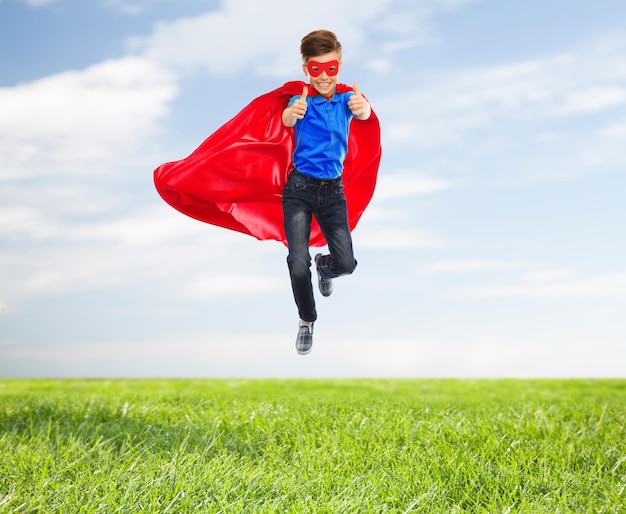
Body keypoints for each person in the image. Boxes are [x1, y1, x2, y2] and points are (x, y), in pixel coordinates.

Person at [281, 29, 372, 355]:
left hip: (333, 193)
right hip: (299, 191)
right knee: (296, 262)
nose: (323, 77)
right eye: (315, 69)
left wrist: (363, 108)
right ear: (306, 67)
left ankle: (325, 267)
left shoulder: (348, 100)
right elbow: (287, 119)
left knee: (347, 263)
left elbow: (363, 113)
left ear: (340, 65)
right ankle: (307, 320)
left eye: (330, 68)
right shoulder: (300, 101)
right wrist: (292, 113)